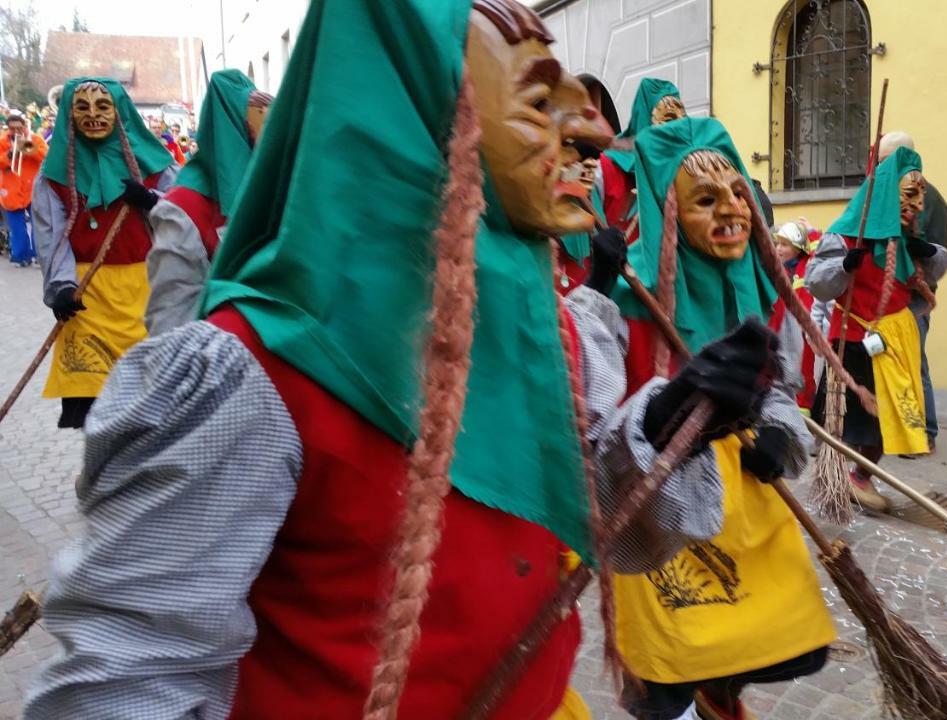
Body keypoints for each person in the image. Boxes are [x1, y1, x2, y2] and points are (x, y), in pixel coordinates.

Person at [23, 2, 777, 718]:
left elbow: (606, 529)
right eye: (540, 104)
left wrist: (671, 422)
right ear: (422, 120)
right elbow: (127, 676)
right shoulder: (253, 379)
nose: (591, 133)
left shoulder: (554, 336)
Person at [610, 116, 832, 720]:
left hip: (749, 486)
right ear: (670, 214)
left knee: (770, 631)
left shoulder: (759, 289)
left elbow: (781, 381)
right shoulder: (627, 298)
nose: (731, 210)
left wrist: (780, 434)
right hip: (664, 495)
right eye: (705, 200)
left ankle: (721, 693)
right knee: (669, 660)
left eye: (737, 193)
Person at [807, 147, 947, 512]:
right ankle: (835, 476)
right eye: (909, 195)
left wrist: (929, 254)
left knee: (891, 421)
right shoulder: (845, 236)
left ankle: (860, 477)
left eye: (921, 196)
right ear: (887, 193)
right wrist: (844, 266)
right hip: (853, 340)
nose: (918, 205)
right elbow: (817, 283)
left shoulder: (909, 242)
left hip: (896, 342)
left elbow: (935, 272)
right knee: (843, 420)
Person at [32, 78, 179, 429]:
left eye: (103, 106)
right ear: (69, 114)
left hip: (146, 295)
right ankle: (103, 473)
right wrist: (61, 287)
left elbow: (183, 217)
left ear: (120, 111)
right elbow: (52, 236)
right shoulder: (53, 177)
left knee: (152, 401)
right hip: (88, 296)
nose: (93, 115)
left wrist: (150, 201)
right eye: (82, 107)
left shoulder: (156, 167)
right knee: (99, 407)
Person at [145, 69, 273, 334]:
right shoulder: (183, 208)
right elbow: (170, 317)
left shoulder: (269, 190)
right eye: (262, 123)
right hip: (217, 351)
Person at [877, 131, 947, 452]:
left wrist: (921, 250)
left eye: (884, 161)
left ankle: (927, 433)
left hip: (913, 298)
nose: (879, 167)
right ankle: (899, 431)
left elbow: (938, 256)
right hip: (882, 297)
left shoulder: (931, 199)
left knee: (915, 363)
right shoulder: (882, 193)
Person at [600, 78, 686, 241]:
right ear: (644, 120)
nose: (673, 132)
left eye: (680, 122)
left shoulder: (685, 170)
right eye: (667, 121)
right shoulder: (606, 167)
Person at [770, 218, 819, 411]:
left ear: (798, 249)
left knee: (803, 372)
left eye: (784, 245)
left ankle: (803, 412)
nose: (779, 249)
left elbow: (821, 254)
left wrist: (812, 232)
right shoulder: (776, 268)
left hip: (802, 330)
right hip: (782, 329)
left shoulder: (806, 265)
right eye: (777, 244)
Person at [0, 110, 47, 267]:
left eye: (19, 128)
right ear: (8, 128)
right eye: (12, 128)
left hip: (32, 190)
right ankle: (21, 256)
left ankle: (38, 256)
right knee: (17, 228)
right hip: (11, 191)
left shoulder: (34, 139)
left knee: (38, 226)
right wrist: (9, 154)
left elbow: (45, 156)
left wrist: (28, 148)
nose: (16, 131)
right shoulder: (2, 141)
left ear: (24, 126)